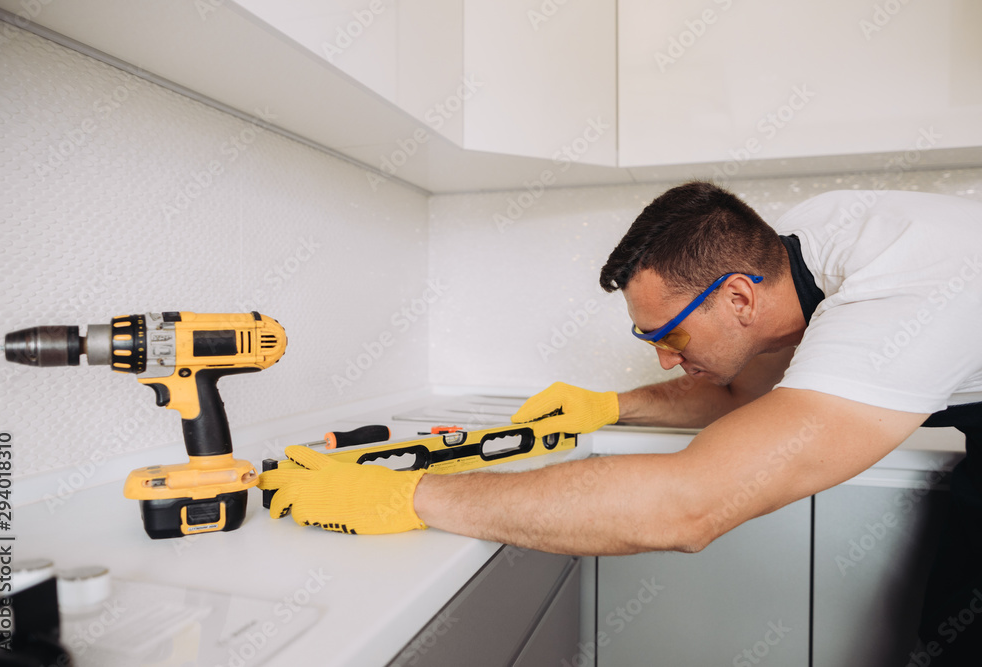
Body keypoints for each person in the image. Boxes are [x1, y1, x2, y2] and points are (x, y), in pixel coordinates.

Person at [260, 181, 982, 662]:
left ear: (737, 297)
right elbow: (743, 395)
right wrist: (608, 406)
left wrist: (409, 497)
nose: (665, 361)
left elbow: (690, 505)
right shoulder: (790, 254)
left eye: (667, 335)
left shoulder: (906, 281)